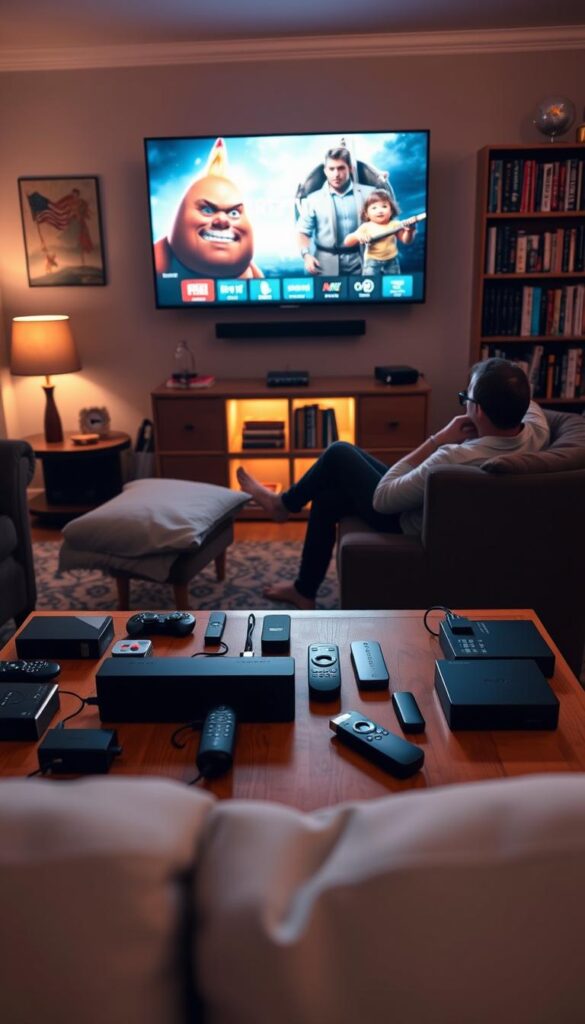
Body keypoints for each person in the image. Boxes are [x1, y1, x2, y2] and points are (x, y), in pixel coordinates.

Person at [236, 359, 550, 610]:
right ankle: (304, 590)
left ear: (477, 409)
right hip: (431, 508)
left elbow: (384, 497)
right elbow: (528, 401)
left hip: (406, 520)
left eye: (465, 398)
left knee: (338, 452)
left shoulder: (454, 458)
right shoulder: (536, 430)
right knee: (329, 495)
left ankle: (282, 506)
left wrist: (438, 439)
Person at [297, 147, 387, 276]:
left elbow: (386, 223)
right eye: (331, 169)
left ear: (350, 168)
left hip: (365, 261)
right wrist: (306, 255)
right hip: (324, 264)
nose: (336, 174)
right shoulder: (313, 200)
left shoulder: (370, 194)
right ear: (325, 171)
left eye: (341, 168)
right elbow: (302, 231)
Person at [343, 189, 416, 276]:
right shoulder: (366, 227)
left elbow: (406, 241)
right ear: (366, 213)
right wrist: (358, 236)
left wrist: (410, 231)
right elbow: (347, 242)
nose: (380, 210)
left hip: (391, 260)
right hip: (372, 261)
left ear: (391, 210)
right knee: (369, 283)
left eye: (384, 206)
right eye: (374, 208)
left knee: (393, 283)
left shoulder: (395, 224)